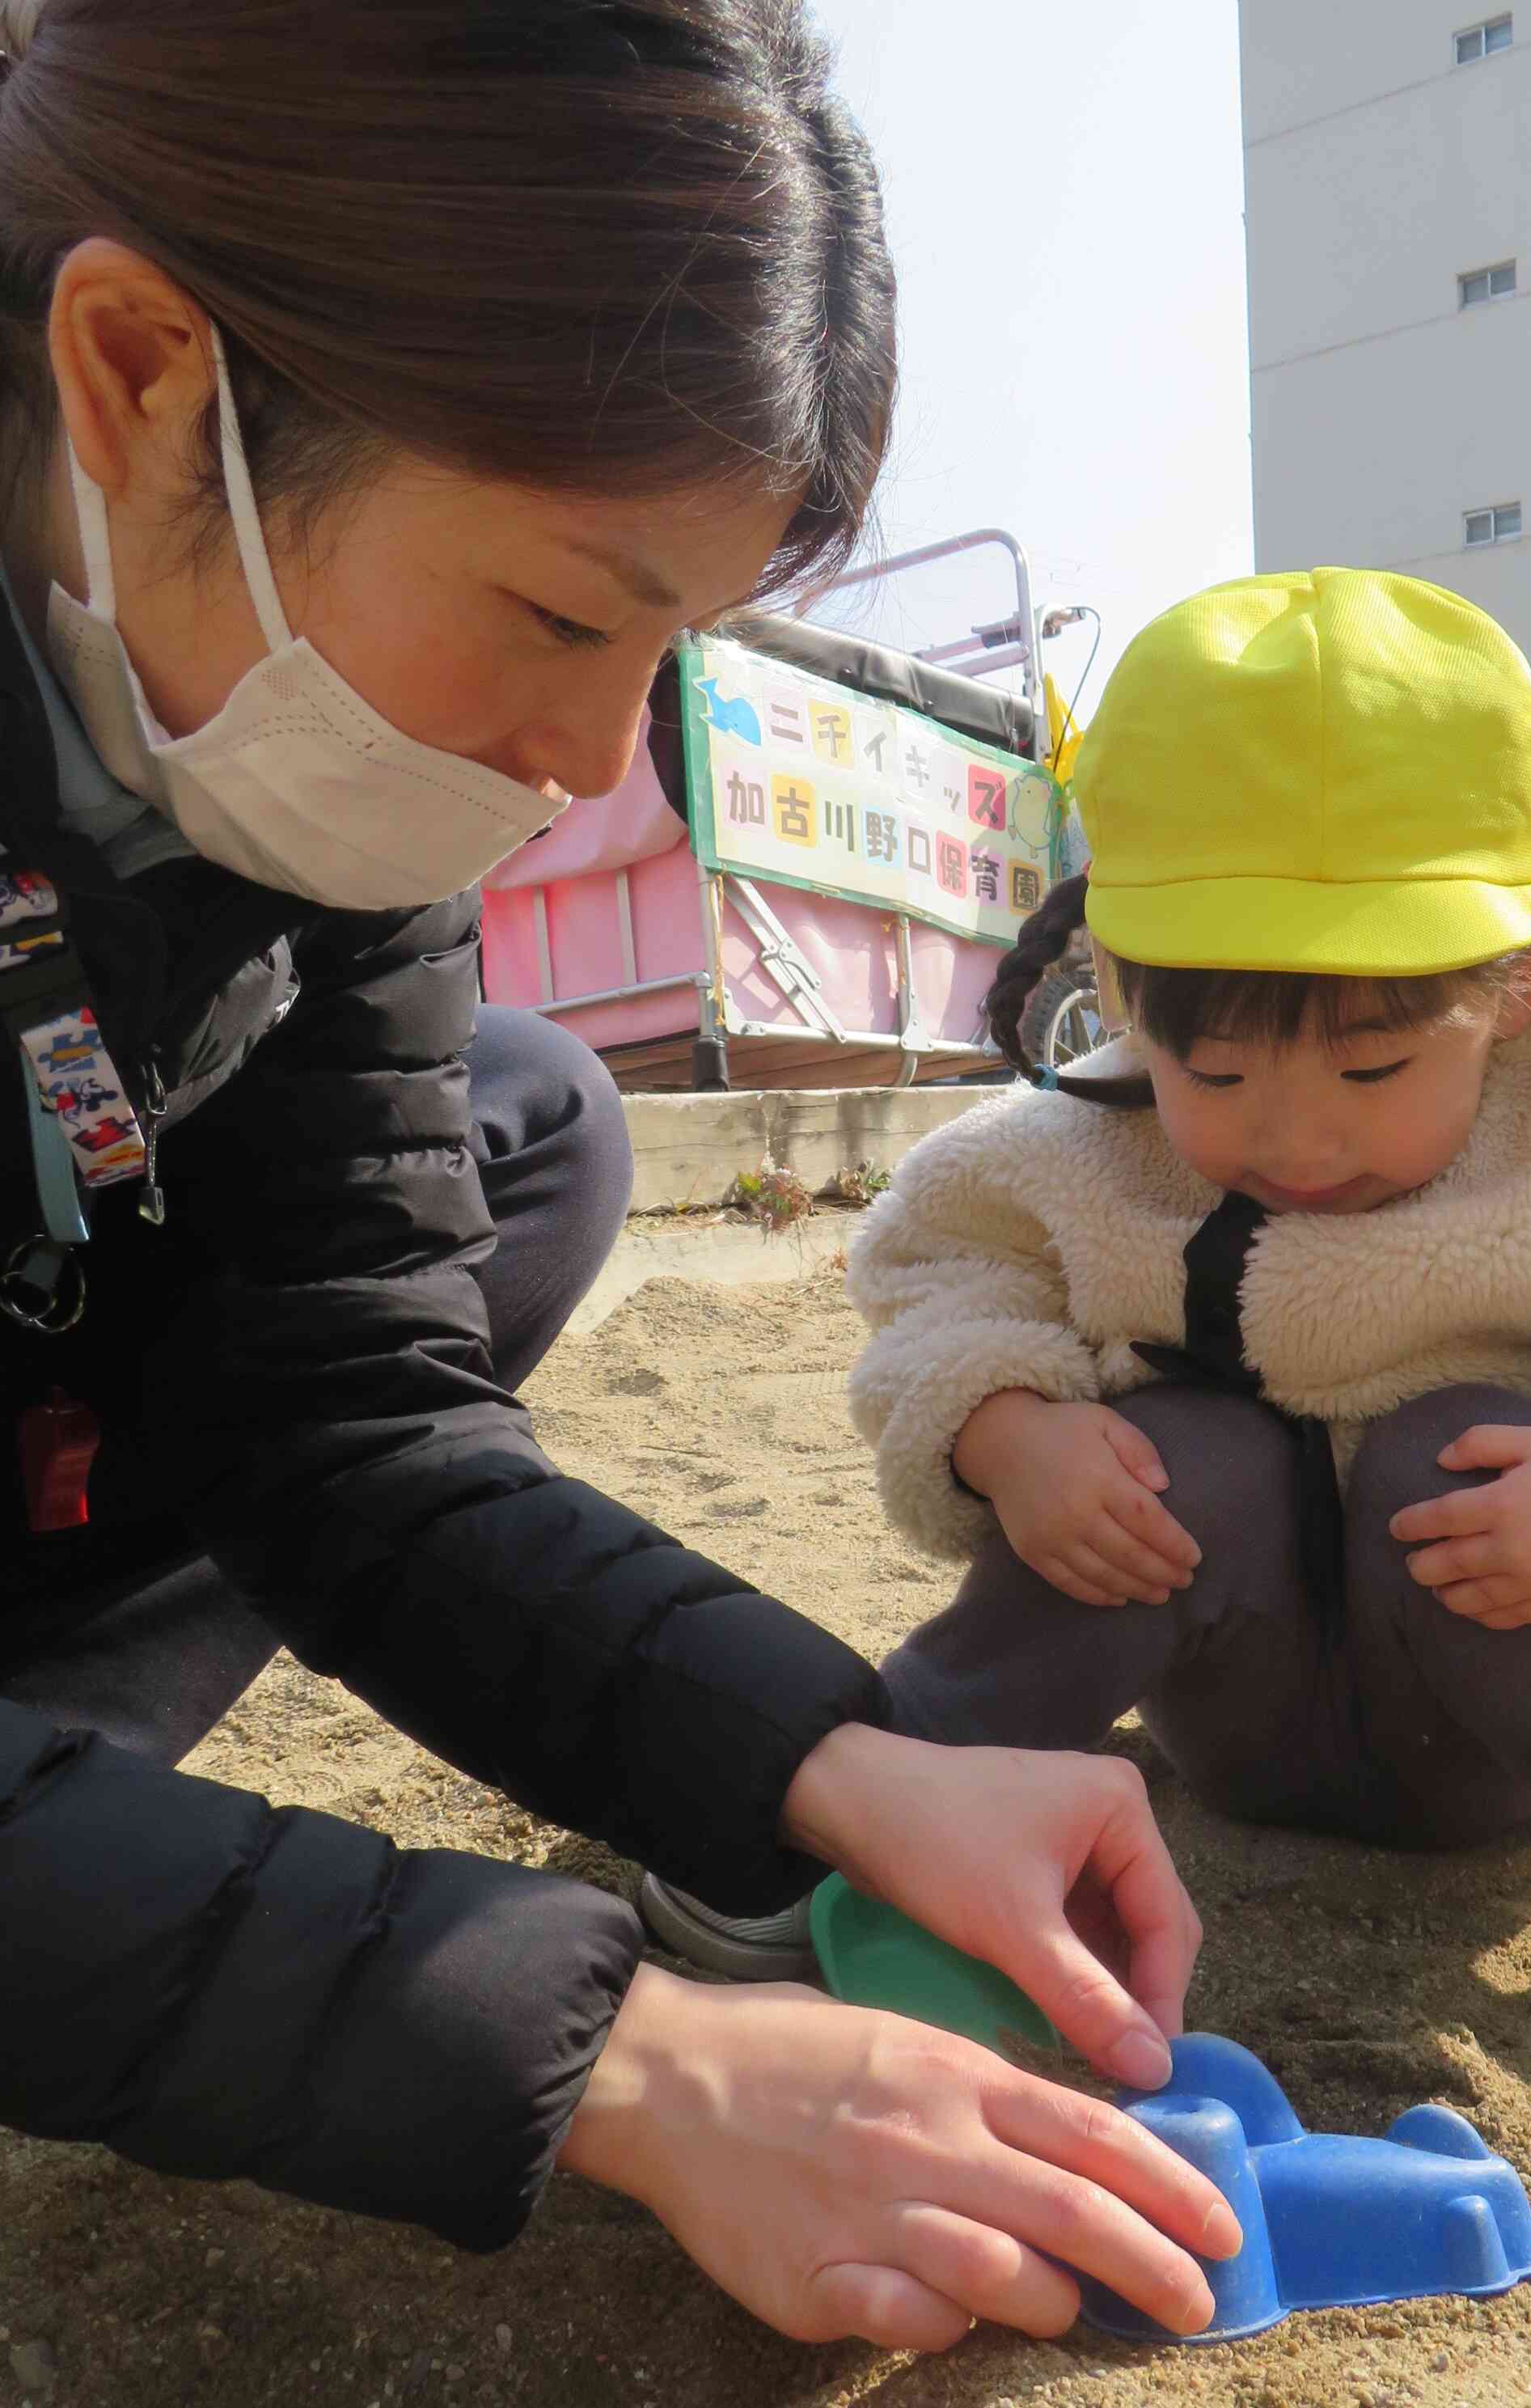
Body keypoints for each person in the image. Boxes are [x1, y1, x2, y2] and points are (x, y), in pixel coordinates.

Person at [0, 0, 1241, 2355]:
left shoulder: (295, 734)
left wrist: (833, 1758)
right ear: (146, 372)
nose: (588, 758)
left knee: (527, 1127)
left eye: (668, 645)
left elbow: (350, 1421)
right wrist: (630, 2062)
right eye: (567, 611)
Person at [723, 568, 1531, 2097]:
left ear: (1512, 979)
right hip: (1235, 1715)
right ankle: (888, 1782)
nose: (1292, 1135)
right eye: (1213, 1072)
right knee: (1166, 1459)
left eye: (1370, 1069)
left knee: (1456, 1450)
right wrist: (1006, 1433)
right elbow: (932, 1267)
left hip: (1522, 1717)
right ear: (1122, 991)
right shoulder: (1075, 1133)